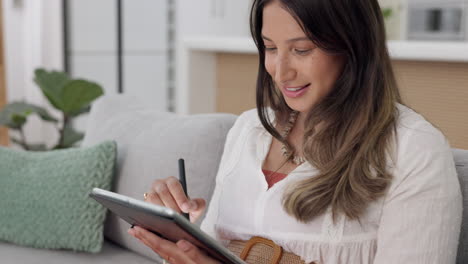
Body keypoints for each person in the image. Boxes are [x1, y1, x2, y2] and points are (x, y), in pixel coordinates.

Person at [127, 0, 463, 263]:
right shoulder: (249, 130)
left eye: (302, 50)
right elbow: (214, 249)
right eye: (270, 48)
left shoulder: (413, 150)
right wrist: (180, 233)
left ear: (353, 46)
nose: (280, 71)